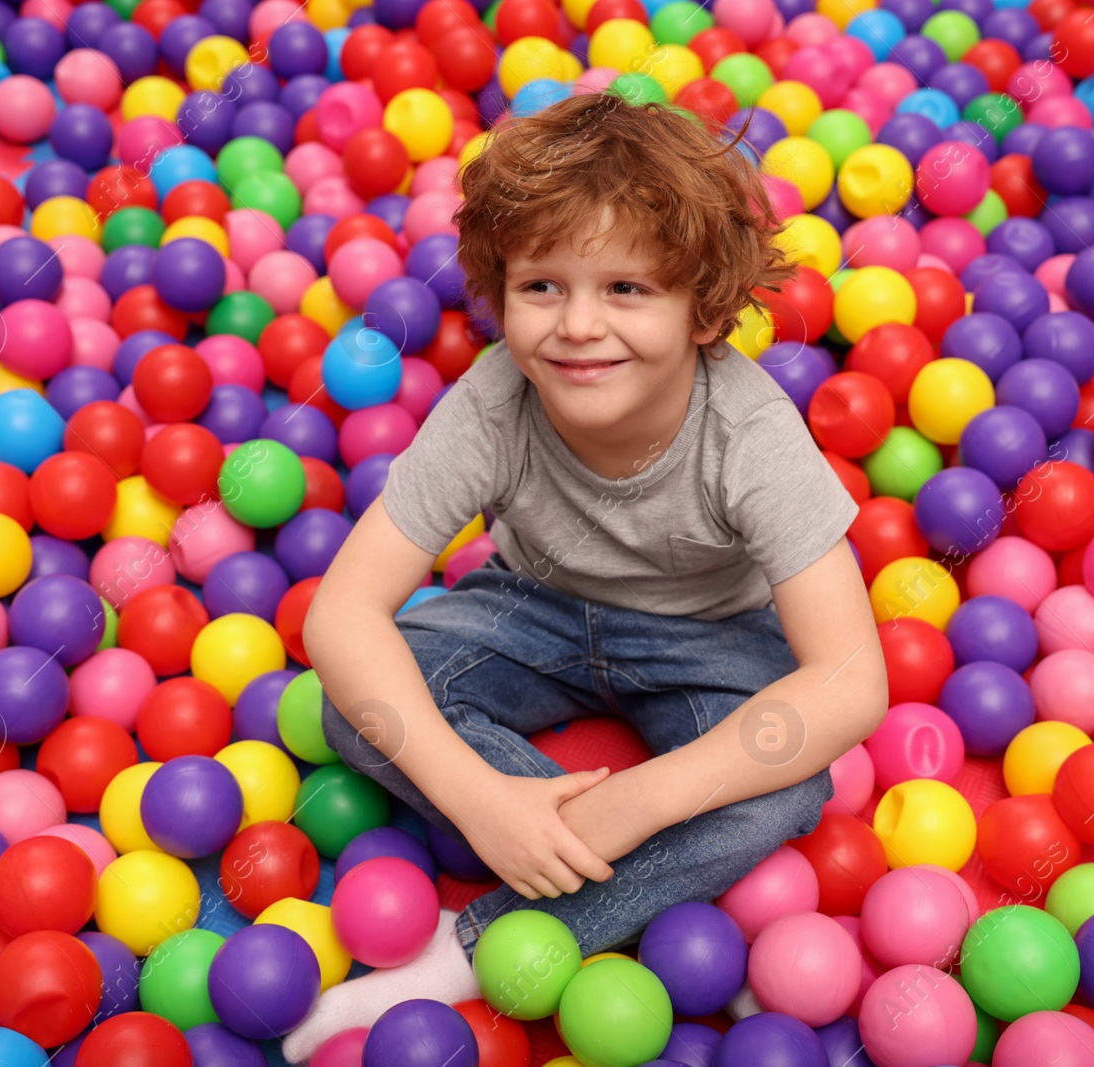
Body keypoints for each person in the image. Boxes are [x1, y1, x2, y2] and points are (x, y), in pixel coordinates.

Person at [285, 93, 887, 1061]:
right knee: (351, 701)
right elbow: (345, 612)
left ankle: (465, 945)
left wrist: (637, 801)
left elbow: (851, 679)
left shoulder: (752, 434)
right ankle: (645, 897)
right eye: (542, 287)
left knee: (787, 786)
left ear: (702, 307)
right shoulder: (493, 402)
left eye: (626, 290)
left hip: (710, 641)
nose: (577, 327)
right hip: (534, 609)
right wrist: (486, 800)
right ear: (500, 289)